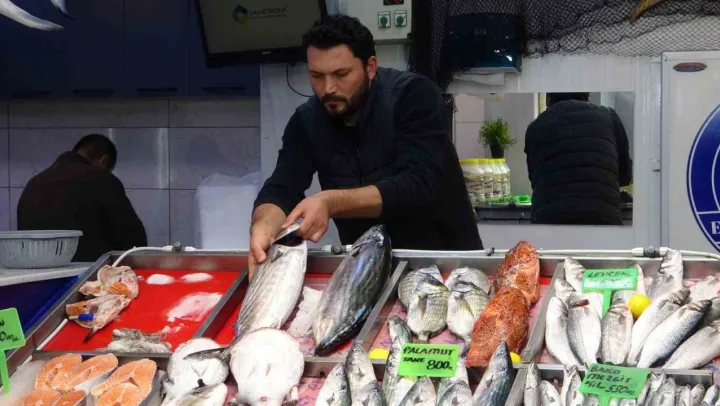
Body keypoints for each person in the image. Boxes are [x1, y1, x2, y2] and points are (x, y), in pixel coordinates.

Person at [249, 15, 482, 275]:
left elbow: (417, 184)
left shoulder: (414, 96)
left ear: (370, 67)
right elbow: (282, 187)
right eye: (316, 76)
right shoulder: (307, 121)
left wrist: (330, 202)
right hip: (366, 271)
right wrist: (263, 224)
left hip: (446, 265)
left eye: (341, 74)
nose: (328, 88)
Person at [17, 134, 147, 262]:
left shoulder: (34, 183)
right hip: (87, 272)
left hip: (34, 272)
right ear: (103, 161)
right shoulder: (102, 180)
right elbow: (133, 241)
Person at [524, 92, 633, 225]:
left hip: (549, 220)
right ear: (588, 98)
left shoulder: (535, 127)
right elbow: (625, 175)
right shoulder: (609, 117)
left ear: (548, 101)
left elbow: (534, 179)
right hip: (602, 218)